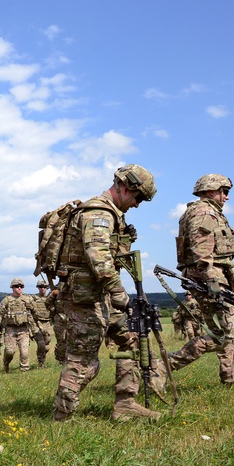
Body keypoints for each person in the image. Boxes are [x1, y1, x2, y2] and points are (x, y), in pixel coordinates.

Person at [54, 164, 161, 422]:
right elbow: (98, 257)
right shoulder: (98, 213)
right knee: (83, 361)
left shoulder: (113, 215)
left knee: (133, 341)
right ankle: (61, 419)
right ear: (125, 188)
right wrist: (121, 296)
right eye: (138, 198)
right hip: (86, 299)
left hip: (101, 297)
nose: (137, 205)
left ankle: (126, 405)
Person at [167, 174, 234, 390]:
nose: (226, 198)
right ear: (212, 190)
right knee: (226, 331)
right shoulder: (204, 212)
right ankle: (164, 365)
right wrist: (212, 281)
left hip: (208, 279)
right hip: (208, 280)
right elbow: (201, 250)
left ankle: (232, 382)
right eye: (225, 192)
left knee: (229, 330)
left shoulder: (202, 211)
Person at [0, 278, 39, 372]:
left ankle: (24, 372)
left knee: (24, 353)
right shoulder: (7, 300)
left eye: (21, 286)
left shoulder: (27, 299)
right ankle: (6, 364)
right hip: (10, 329)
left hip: (23, 328)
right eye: (17, 286)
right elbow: (0, 314)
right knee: (10, 352)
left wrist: (34, 326)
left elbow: (35, 312)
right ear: (12, 288)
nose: (19, 288)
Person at [31, 278, 55, 368]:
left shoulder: (50, 298)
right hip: (37, 323)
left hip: (47, 323)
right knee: (41, 344)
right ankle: (40, 363)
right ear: (38, 288)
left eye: (45, 287)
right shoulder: (34, 298)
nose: (43, 289)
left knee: (46, 346)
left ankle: (41, 357)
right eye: (41, 287)